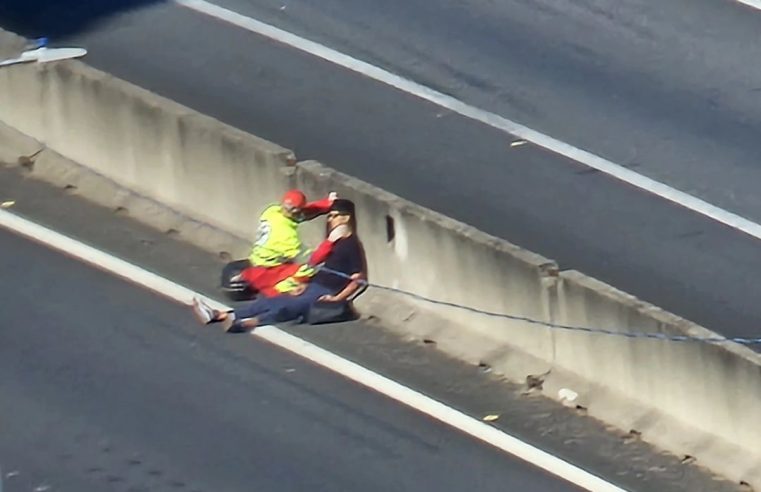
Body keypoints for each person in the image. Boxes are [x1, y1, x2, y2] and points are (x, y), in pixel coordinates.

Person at [192, 199, 367, 332]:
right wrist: (303, 283)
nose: (331, 220)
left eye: (335, 216)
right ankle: (220, 315)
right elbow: (315, 263)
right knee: (272, 299)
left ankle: (248, 323)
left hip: (326, 290)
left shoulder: (351, 245)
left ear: (347, 218)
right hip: (313, 283)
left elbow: (358, 279)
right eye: (329, 216)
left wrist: (337, 298)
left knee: (287, 307)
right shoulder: (333, 242)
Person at [239, 189, 337, 297]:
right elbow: (312, 259)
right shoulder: (287, 236)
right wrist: (331, 241)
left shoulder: (272, 211)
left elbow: (304, 212)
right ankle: (283, 289)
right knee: (309, 267)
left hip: (257, 261)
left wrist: (327, 204)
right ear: (296, 211)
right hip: (268, 271)